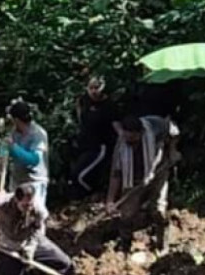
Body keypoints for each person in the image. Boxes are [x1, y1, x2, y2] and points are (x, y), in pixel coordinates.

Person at [0, 184, 74, 275]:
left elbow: (38, 229)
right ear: (16, 200)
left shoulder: (38, 210)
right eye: (25, 205)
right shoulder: (0, 204)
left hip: (32, 241)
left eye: (30, 204)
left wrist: (30, 247)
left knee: (64, 263)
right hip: (9, 245)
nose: (29, 208)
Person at [106, 114, 180, 253]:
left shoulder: (156, 126)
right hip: (133, 179)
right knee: (127, 214)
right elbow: (116, 173)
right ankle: (125, 247)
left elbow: (174, 131)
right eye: (127, 138)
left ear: (141, 133)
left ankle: (162, 245)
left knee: (158, 209)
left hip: (158, 170)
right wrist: (110, 200)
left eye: (133, 139)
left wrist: (172, 151)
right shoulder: (121, 144)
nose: (129, 142)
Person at [70, 77, 115, 198]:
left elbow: (115, 125)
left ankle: (92, 193)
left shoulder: (108, 105)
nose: (94, 91)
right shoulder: (83, 101)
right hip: (84, 144)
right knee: (74, 174)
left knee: (79, 175)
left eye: (97, 87)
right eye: (91, 88)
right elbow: (81, 119)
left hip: (99, 147)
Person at [5, 99, 49, 209]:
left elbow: (34, 160)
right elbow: (5, 151)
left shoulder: (38, 134)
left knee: (34, 215)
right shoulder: (13, 133)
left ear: (16, 119)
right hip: (17, 181)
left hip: (35, 181)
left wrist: (14, 148)